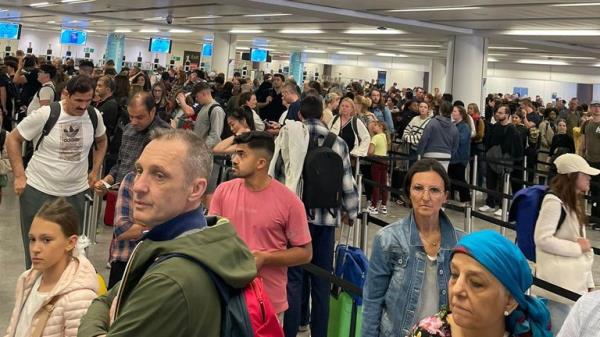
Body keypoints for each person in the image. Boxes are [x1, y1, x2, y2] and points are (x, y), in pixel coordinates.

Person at [78, 129, 257, 337]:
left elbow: (103, 301)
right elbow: (107, 298)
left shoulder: (170, 279)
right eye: (139, 170)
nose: (138, 186)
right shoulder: (200, 236)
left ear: (196, 189)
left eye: (159, 175)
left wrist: (100, 321)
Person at [6, 75, 107, 268]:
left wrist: (95, 171)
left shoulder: (94, 116)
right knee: (38, 250)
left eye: (88, 100)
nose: (83, 106)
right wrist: (19, 175)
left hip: (75, 192)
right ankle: (35, 291)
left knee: (70, 249)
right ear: (66, 94)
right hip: (38, 190)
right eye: (78, 100)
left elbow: (102, 141)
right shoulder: (47, 113)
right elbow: (13, 138)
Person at [210, 131, 312, 318]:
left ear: (261, 163)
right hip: (225, 294)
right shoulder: (223, 191)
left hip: (267, 303)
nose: (234, 159)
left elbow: (305, 253)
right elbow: (211, 236)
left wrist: (265, 258)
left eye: (242, 155)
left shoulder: (290, 202)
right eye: (235, 153)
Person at [362, 159, 464, 337]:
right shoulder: (388, 239)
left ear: (445, 196)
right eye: (418, 188)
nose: (425, 197)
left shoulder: (461, 243)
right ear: (408, 192)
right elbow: (373, 300)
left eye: (434, 190)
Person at [284, 95, 359, 337]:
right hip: (327, 220)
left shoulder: (291, 137)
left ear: (299, 115)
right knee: (322, 279)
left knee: (294, 279)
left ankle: (294, 327)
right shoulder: (338, 143)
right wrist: (351, 211)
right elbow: (348, 181)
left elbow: (279, 177)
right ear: (324, 115)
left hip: (295, 221)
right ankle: (319, 332)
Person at [410, 230, 552, 337]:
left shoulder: (527, 333)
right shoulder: (427, 332)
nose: (457, 289)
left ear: (510, 300)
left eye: (476, 283)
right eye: (454, 275)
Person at [4, 198, 99, 337]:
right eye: (32, 239)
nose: (35, 248)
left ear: (71, 242)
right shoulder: (26, 280)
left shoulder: (79, 299)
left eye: (46, 240)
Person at [533, 153, 596, 303]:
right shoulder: (554, 201)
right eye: (585, 174)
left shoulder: (573, 201)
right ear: (572, 176)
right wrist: (577, 248)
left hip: (572, 283)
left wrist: (589, 282)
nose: (589, 178)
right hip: (558, 286)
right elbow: (542, 239)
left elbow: (580, 241)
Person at [94, 91, 170, 193]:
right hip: (120, 193)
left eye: (139, 117)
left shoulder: (166, 135)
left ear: (152, 112)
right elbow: (121, 164)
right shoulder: (128, 129)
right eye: (131, 116)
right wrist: (107, 181)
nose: (134, 122)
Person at [479, 104, 523, 216]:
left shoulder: (513, 130)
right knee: (490, 182)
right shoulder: (495, 127)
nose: (498, 114)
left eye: (501, 113)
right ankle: (490, 203)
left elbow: (515, 148)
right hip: (492, 159)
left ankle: (504, 207)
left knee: (504, 184)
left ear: (507, 114)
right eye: (497, 112)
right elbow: (488, 141)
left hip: (505, 162)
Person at [417, 101, 459, 170]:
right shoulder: (454, 127)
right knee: (442, 177)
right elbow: (455, 145)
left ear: (440, 110)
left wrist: (419, 153)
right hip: (446, 155)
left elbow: (424, 139)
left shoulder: (432, 122)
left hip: (430, 153)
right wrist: (450, 154)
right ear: (451, 111)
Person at [579, 101, 600, 225]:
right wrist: (580, 157)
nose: (597, 109)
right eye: (594, 107)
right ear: (590, 109)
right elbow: (583, 142)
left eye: (599, 107)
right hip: (589, 160)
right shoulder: (586, 123)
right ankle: (594, 215)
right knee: (592, 189)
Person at [449, 105, 471, 203]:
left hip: (460, 156)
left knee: (460, 178)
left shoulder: (464, 126)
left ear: (460, 113)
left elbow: (461, 140)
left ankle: (466, 199)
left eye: (455, 111)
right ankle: (451, 196)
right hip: (452, 156)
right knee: (452, 177)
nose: (452, 113)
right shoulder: (453, 124)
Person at [367, 120, 389, 215]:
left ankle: (374, 206)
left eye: (375, 125)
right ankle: (384, 205)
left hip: (376, 162)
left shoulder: (375, 137)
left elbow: (370, 151)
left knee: (375, 184)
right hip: (384, 161)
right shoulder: (385, 136)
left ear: (380, 126)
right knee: (383, 184)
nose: (373, 127)